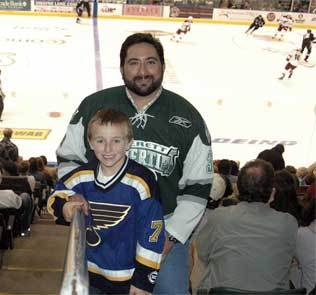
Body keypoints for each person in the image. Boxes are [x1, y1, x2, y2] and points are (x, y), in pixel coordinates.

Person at [56, 32, 213, 295]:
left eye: (151, 62)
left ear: (162, 66)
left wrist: (170, 237)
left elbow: (198, 186)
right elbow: (68, 158)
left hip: (163, 231)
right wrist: (76, 199)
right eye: (133, 62)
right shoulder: (94, 105)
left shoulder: (188, 116)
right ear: (121, 68)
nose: (143, 71)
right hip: (102, 228)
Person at [48, 109, 165, 294]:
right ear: (90, 143)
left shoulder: (142, 182)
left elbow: (152, 233)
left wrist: (144, 279)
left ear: (128, 143)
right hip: (89, 274)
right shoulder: (81, 177)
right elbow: (56, 195)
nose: (108, 149)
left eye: (116, 141)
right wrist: (67, 205)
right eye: (100, 141)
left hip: (127, 278)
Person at [196, 159, 298, 291]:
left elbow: (203, 254)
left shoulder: (219, 217)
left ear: (237, 188)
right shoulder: (289, 223)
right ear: (272, 192)